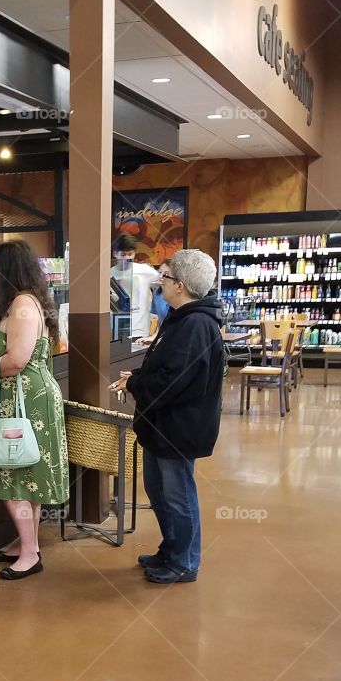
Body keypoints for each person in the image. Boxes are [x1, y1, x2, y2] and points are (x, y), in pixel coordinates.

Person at [111, 250, 223, 584]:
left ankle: (185, 561)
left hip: (179, 427)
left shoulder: (196, 324)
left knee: (177, 495)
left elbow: (173, 381)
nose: (161, 281)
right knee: (158, 491)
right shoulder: (180, 317)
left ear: (182, 285)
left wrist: (135, 382)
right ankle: (172, 548)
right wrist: (136, 374)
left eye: (166, 276)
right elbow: (165, 366)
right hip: (161, 425)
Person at [0, 240, 68, 581]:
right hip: (24, 401)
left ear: (9, 270)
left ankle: (29, 553)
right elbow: (12, 347)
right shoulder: (24, 303)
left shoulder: (22, 304)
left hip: (24, 402)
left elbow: (17, 359)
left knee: (14, 477)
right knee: (25, 476)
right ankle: (29, 544)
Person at [111, 233, 160, 340]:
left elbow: (164, 286)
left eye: (130, 254)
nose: (127, 258)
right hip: (117, 331)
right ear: (115, 253)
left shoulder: (145, 271)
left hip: (141, 331)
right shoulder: (108, 275)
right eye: (123, 255)